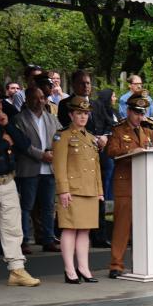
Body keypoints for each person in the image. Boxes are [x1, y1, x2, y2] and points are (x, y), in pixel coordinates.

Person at [105, 93, 153, 278]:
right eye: (136, 113)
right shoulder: (119, 130)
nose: (139, 117)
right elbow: (110, 150)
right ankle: (116, 265)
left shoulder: (146, 129)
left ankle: (141, 263)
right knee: (122, 226)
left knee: (142, 225)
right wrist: (131, 150)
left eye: (142, 113)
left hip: (143, 183)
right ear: (128, 111)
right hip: (125, 183)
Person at [60, 71, 113, 248]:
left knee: (100, 195)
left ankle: (99, 234)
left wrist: (105, 136)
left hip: (99, 155)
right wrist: (91, 137)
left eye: (89, 83)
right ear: (74, 84)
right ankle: (78, 233)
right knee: (78, 199)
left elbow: (108, 123)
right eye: (82, 83)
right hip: (76, 157)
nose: (86, 86)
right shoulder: (65, 104)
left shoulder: (97, 104)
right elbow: (66, 127)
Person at [52, 96, 102, 284]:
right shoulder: (62, 135)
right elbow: (59, 165)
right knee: (69, 229)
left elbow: (96, 167)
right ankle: (69, 270)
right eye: (79, 113)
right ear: (71, 114)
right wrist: (63, 190)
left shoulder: (90, 138)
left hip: (89, 190)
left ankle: (83, 268)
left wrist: (99, 190)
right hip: (72, 190)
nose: (83, 117)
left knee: (85, 231)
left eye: (86, 113)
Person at [15, 86, 62, 254]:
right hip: (29, 169)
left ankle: (48, 239)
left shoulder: (51, 118)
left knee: (49, 206)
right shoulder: (19, 119)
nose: (40, 101)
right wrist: (41, 155)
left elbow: (60, 136)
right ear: (27, 100)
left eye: (42, 97)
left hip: (49, 170)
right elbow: (21, 144)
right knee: (26, 206)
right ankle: (24, 240)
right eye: (35, 98)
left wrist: (54, 150)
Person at [0, 99, 40, 286]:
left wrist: (8, 126)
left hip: (7, 180)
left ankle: (16, 270)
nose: (0, 108)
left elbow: (24, 144)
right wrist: (4, 143)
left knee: (13, 229)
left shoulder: (5, 122)